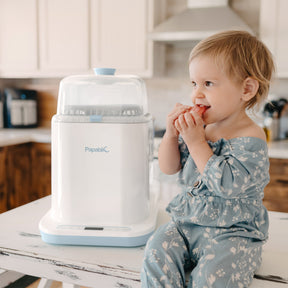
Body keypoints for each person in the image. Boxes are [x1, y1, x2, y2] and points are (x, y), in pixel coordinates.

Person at [141, 30, 275, 288]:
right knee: (156, 250)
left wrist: (195, 141)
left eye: (208, 84)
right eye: (194, 84)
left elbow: (226, 186)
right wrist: (171, 135)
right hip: (187, 223)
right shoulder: (200, 129)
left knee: (214, 277)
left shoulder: (251, 136)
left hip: (233, 232)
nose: (196, 95)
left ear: (246, 89)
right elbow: (169, 168)